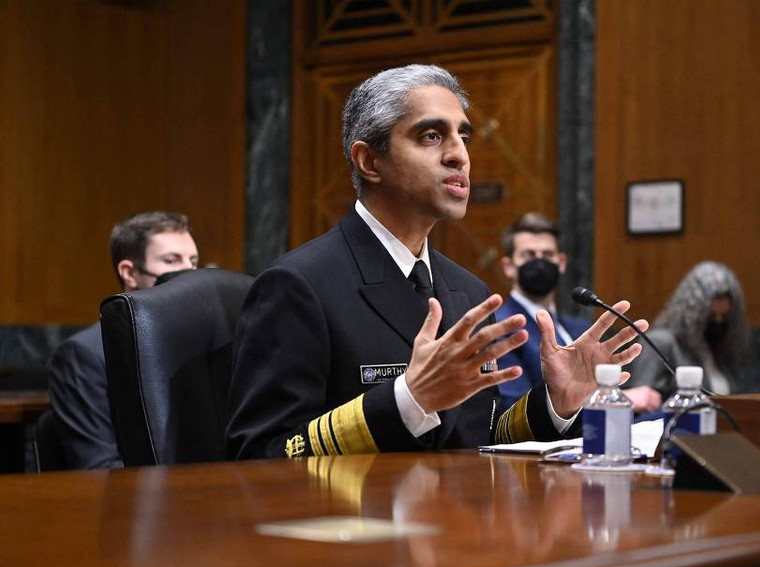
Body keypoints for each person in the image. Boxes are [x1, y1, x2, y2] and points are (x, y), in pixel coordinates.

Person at [226, 64, 647, 460]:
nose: (458, 155)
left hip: (461, 526)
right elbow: (260, 453)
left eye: (464, 137)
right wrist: (407, 401)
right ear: (370, 161)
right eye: (431, 136)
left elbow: (477, 434)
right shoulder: (299, 285)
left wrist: (555, 402)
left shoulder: (469, 291)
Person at [48, 211, 199, 469]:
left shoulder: (200, 344)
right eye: (171, 261)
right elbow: (99, 467)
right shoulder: (84, 355)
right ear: (129, 273)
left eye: (193, 262)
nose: (188, 273)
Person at [494, 212, 661, 413]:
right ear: (509, 267)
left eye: (547, 255)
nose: (539, 263)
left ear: (561, 263)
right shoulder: (500, 327)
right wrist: (617, 400)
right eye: (529, 255)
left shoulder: (580, 328)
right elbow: (512, 409)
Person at [623, 260, 748, 399]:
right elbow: (643, 400)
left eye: (724, 317)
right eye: (711, 317)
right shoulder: (660, 343)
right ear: (693, 313)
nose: (718, 322)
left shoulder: (721, 351)